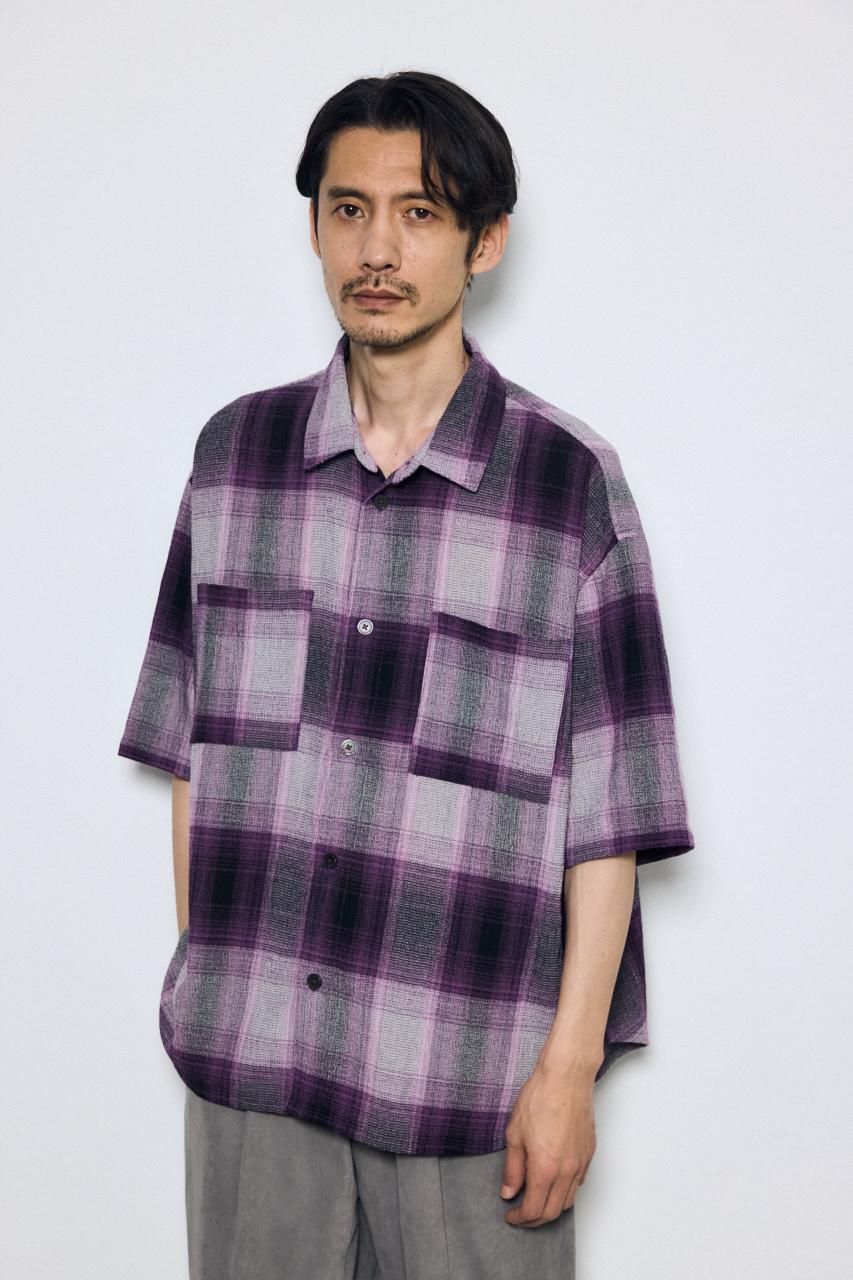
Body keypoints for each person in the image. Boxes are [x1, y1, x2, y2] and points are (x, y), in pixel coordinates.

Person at [117, 68, 695, 1280]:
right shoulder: (234, 457)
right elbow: (189, 749)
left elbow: (611, 816)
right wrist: (210, 973)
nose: (377, 249)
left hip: (468, 1079)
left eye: (419, 213)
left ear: (485, 241)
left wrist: (568, 1070)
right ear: (315, 225)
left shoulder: (567, 485)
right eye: (349, 209)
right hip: (254, 1071)